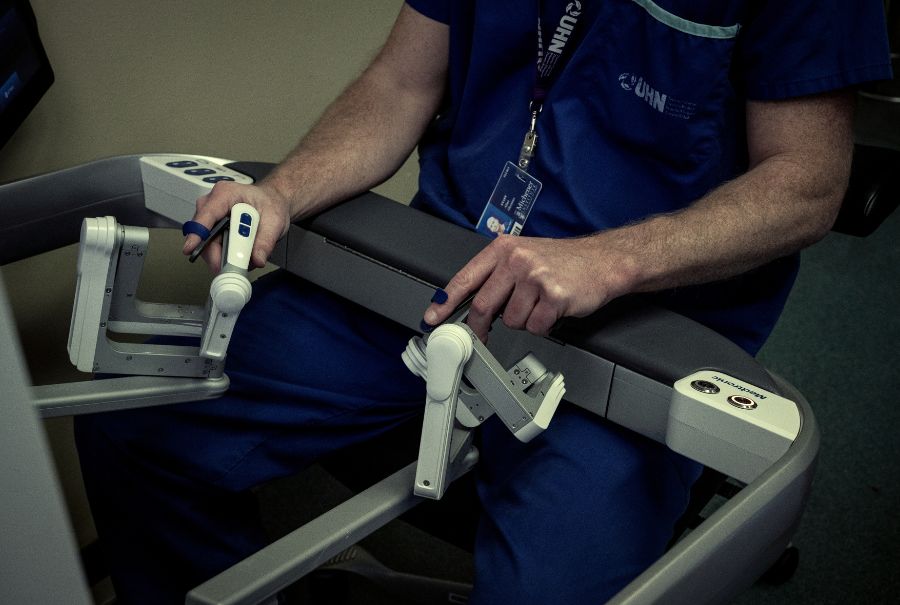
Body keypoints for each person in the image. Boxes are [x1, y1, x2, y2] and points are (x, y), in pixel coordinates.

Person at [75, 2, 892, 604]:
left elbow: (807, 187)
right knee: (133, 426)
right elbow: (401, 83)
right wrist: (282, 190)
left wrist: (612, 259)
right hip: (438, 271)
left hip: (635, 336)